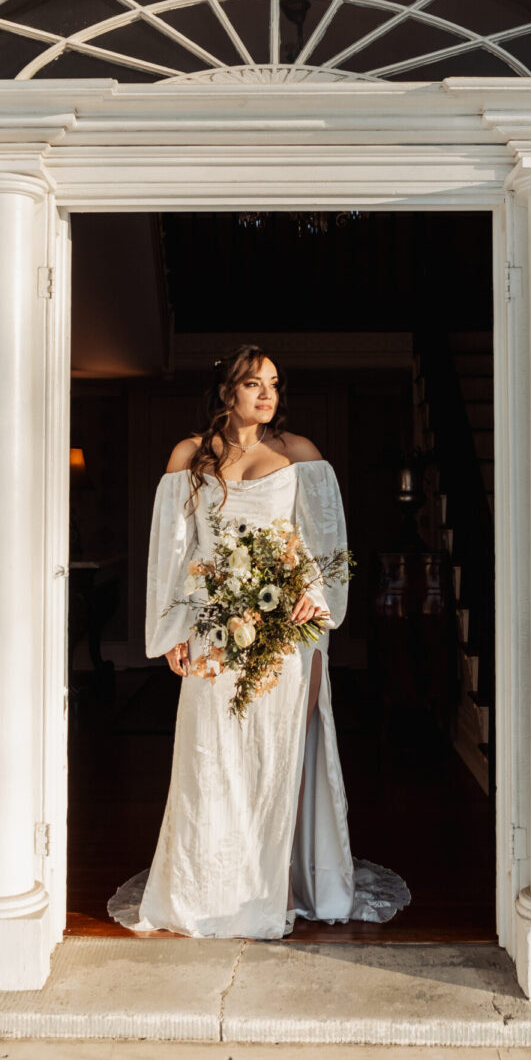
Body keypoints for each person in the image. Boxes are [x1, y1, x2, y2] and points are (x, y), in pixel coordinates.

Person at [106, 343, 410, 939]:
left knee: (277, 758)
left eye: (274, 383)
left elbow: (327, 545)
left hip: (284, 634)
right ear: (228, 392)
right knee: (210, 758)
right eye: (254, 383)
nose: (268, 394)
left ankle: (280, 885)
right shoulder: (190, 456)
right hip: (213, 629)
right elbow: (174, 552)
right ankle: (209, 888)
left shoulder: (298, 454)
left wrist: (316, 597)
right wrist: (173, 627)